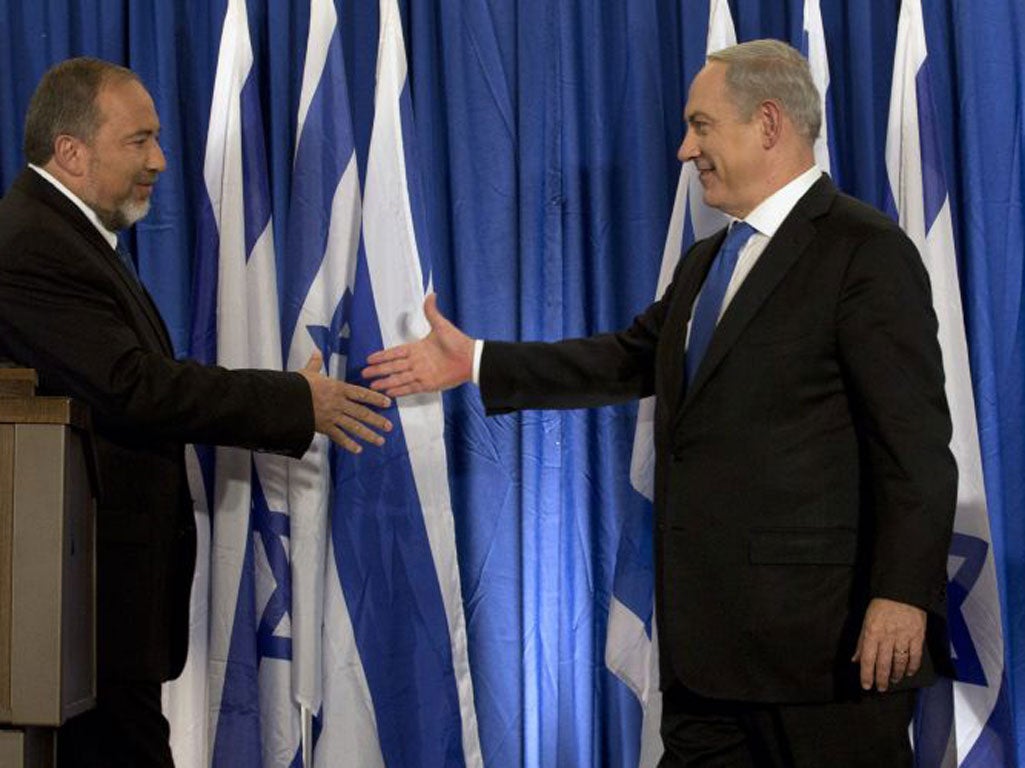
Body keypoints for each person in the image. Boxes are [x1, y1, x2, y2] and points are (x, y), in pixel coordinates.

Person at [364, 40, 957, 767]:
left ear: (767, 123)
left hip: (823, 657)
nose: (684, 149)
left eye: (701, 125)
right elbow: (628, 356)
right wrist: (478, 362)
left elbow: (915, 448)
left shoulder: (863, 251)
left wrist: (901, 595)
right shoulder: (709, 260)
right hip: (705, 657)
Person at [0, 58, 393, 767]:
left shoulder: (71, 237)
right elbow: (134, 388)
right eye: (139, 141)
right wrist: (292, 401)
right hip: (72, 614)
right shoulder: (31, 244)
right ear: (71, 151)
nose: (160, 159)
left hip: (97, 617)